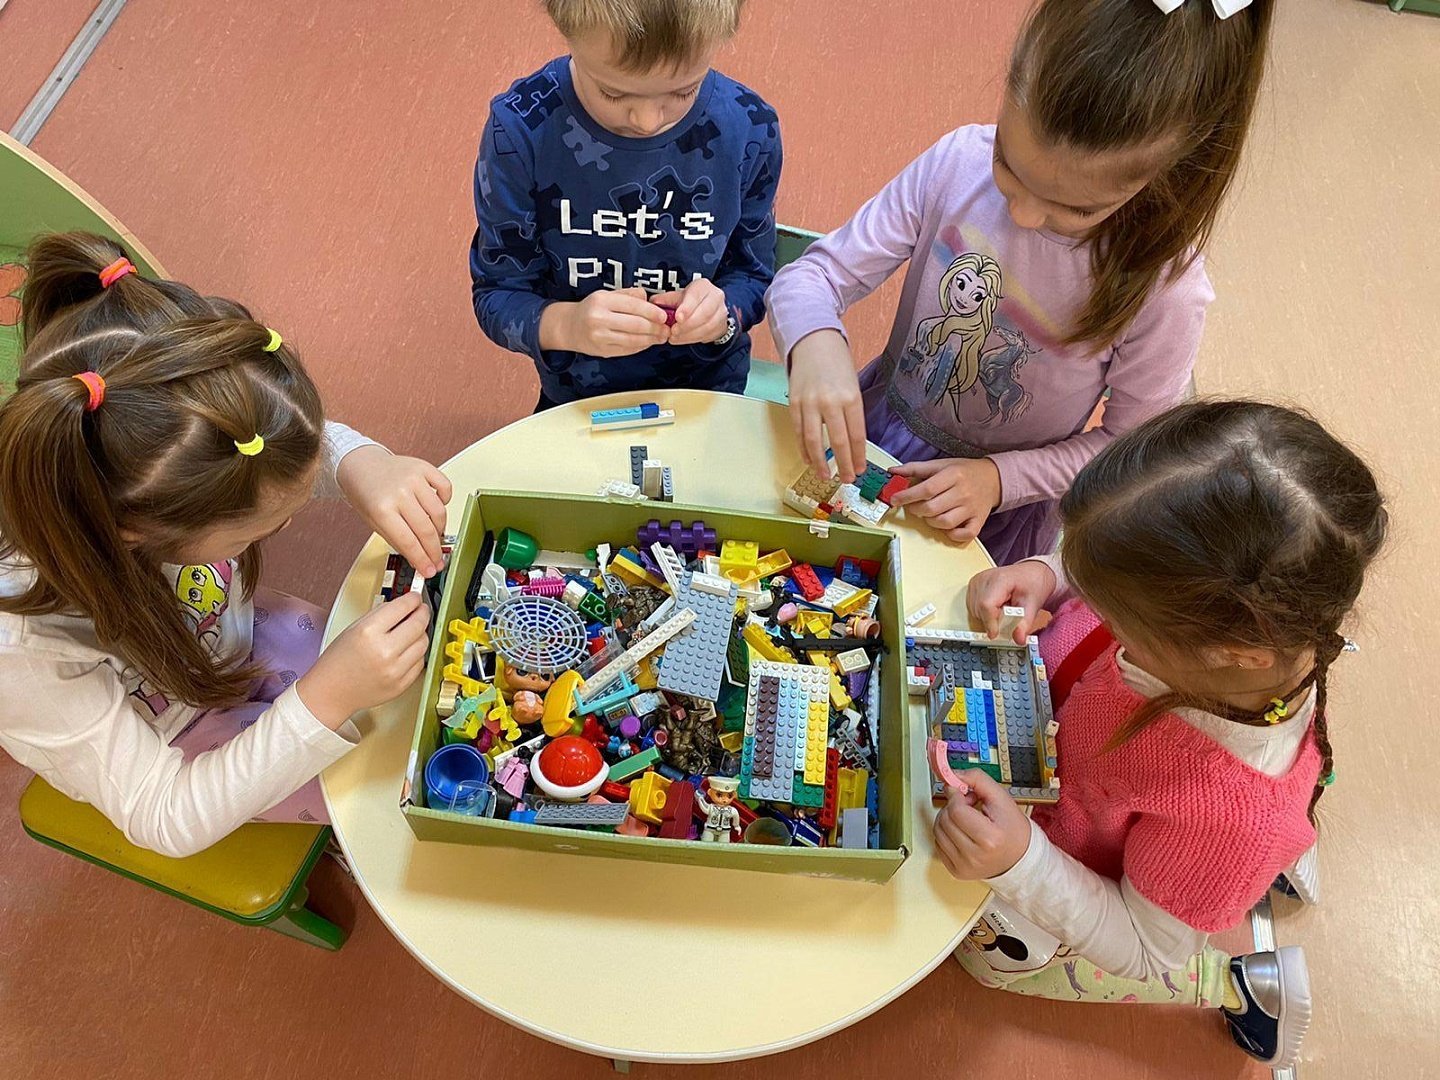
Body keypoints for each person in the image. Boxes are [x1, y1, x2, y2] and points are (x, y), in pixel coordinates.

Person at [936, 400, 1387, 1071]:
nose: (1099, 614)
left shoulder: (1230, 813)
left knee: (992, 957)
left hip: (1091, 860)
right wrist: (1050, 574)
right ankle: (1271, 865)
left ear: (1235, 652)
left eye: (1117, 616)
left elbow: (1147, 948)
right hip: (1058, 755)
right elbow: (1125, 556)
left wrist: (1021, 862)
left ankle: (1234, 984)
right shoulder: (1231, 613)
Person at [769, 0, 1275, 564]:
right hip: (875, 439)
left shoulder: (1166, 288)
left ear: (1167, 170)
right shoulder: (956, 163)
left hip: (995, 510)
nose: (1024, 215)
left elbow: (1130, 450)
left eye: (1075, 209)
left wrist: (999, 478)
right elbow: (812, 276)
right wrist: (815, 340)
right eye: (1007, 166)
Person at [0, 232, 452, 857]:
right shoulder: (23, 657)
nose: (283, 529)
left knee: (406, 697)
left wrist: (360, 463)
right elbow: (165, 817)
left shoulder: (154, 451)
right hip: (175, 741)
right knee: (388, 787)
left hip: (218, 639)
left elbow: (267, 451)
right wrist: (327, 698)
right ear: (137, 530)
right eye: (258, 531)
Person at [469, 0, 781, 409]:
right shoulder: (520, 132)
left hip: (706, 390)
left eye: (683, 90)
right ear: (567, 32)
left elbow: (755, 275)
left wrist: (722, 317)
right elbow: (497, 294)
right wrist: (568, 326)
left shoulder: (750, 129)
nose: (648, 121)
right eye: (613, 93)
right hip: (579, 398)